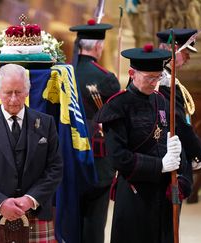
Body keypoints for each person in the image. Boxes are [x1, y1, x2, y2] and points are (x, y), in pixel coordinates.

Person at [95, 44, 193, 243]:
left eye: (157, 77)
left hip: (163, 192)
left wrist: (179, 162)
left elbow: (170, 137)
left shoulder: (162, 101)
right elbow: (118, 158)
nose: (154, 83)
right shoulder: (117, 106)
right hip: (135, 194)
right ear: (132, 73)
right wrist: (160, 165)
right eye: (149, 78)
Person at [0, 64, 63, 242]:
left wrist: (30, 200)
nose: (13, 99)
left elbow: (55, 169)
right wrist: (1, 203)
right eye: (8, 92)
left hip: (36, 214)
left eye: (18, 92)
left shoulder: (46, 123)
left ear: (27, 91)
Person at [70, 19, 120, 243]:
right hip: (97, 156)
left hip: (69, 154)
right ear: (99, 46)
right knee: (95, 221)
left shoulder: (63, 74)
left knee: (70, 218)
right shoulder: (106, 79)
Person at [157, 28, 201, 171]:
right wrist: (199, 152)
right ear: (175, 50)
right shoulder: (164, 80)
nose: (188, 58)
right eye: (186, 53)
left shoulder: (159, 75)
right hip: (166, 154)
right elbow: (177, 121)